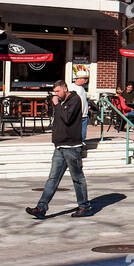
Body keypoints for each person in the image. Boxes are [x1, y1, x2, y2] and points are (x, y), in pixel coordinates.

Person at [25, 79, 91, 220]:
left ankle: (84, 207)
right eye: (54, 92)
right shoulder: (61, 103)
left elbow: (67, 118)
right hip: (60, 147)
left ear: (65, 89)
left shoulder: (74, 100)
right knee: (52, 179)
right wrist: (56, 105)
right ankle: (41, 208)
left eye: (58, 91)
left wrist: (57, 104)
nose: (56, 94)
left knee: (78, 178)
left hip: (72, 147)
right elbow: (59, 119)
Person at [72, 67, 91, 155]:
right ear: (79, 79)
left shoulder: (82, 88)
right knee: (77, 133)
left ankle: (81, 146)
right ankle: (78, 149)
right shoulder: (72, 87)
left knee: (83, 133)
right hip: (77, 115)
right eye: (85, 79)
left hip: (84, 114)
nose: (86, 81)